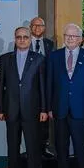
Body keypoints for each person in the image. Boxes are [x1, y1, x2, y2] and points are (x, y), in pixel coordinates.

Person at [47, 23, 84, 168]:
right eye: (67, 35)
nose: (70, 38)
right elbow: (49, 85)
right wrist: (48, 107)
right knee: (60, 147)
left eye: (74, 36)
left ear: (80, 40)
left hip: (81, 109)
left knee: (81, 147)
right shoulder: (54, 57)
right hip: (59, 109)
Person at [0, 27, 48, 168]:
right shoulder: (5, 59)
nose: (22, 40)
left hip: (32, 110)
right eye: (19, 37)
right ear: (15, 38)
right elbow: (0, 87)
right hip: (10, 110)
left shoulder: (39, 59)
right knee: (12, 146)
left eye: (25, 37)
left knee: (33, 147)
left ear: (30, 39)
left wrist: (44, 109)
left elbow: (42, 87)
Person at [29, 17, 54, 158]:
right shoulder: (24, 43)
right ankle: (32, 149)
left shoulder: (50, 44)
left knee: (45, 119)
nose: (37, 28)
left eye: (40, 25)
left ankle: (44, 147)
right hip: (29, 89)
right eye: (35, 25)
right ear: (31, 27)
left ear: (44, 28)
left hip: (46, 87)